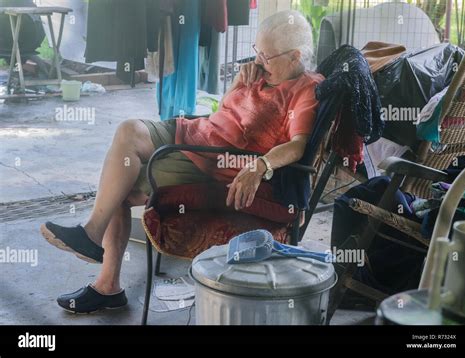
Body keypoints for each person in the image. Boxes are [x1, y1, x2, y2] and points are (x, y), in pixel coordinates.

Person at [40, 10, 325, 313]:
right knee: (127, 131)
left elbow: (297, 145)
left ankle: (106, 282)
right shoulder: (262, 73)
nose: (258, 62)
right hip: (195, 132)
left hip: (213, 160)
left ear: (295, 57)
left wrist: (260, 165)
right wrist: (239, 84)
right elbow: (226, 111)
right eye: (258, 52)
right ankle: (93, 237)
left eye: (267, 57)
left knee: (119, 185)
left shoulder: (304, 90)